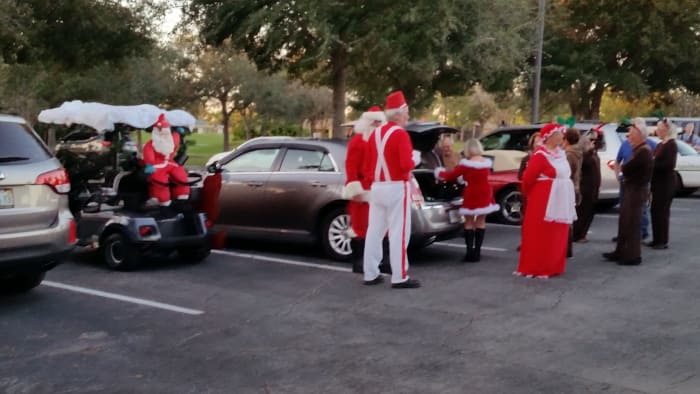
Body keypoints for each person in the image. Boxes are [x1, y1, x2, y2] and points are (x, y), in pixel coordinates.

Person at [362, 91, 420, 289]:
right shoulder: (401, 134)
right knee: (399, 233)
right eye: (407, 112)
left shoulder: (374, 134)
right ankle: (399, 275)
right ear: (399, 113)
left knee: (374, 231)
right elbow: (406, 164)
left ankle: (370, 273)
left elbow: (367, 167)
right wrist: (415, 160)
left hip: (377, 187)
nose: (408, 116)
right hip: (396, 187)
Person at [515, 123, 577, 278]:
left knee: (557, 232)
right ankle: (537, 266)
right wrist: (530, 195)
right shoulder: (540, 155)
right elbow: (528, 179)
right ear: (549, 137)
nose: (561, 137)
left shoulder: (560, 153)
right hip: (543, 199)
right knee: (541, 233)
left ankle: (553, 265)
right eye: (558, 134)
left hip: (560, 198)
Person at [435, 138, 499, 262]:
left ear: (468, 149)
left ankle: (469, 253)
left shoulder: (466, 164)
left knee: (469, 222)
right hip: (485, 192)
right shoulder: (487, 162)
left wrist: (438, 173)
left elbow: (451, 175)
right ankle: (477, 253)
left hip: (472, 192)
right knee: (481, 221)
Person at [603, 118, 654, 265]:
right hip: (631, 189)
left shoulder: (644, 151)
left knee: (632, 223)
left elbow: (628, 167)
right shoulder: (638, 149)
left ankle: (632, 255)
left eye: (631, 134)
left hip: (636, 191)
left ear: (639, 134)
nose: (628, 137)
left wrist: (622, 169)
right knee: (625, 221)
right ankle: (621, 251)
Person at [343, 106, 387, 273]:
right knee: (360, 227)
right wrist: (355, 189)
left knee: (380, 227)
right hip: (362, 190)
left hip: (378, 189)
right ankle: (359, 262)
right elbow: (351, 166)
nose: (376, 125)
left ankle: (379, 261)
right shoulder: (358, 141)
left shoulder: (380, 141)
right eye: (374, 122)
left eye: (379, 122)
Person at [613, 127, 657, 241]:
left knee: (640, 210)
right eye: (629, 134)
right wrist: (618, 175)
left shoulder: (648, 147)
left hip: (639, 184)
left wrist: (650, 182)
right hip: (626, 181)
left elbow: (652, 164)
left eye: (632, 133)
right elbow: (618, 161)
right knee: (624, 209)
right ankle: (623, 233)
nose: (629, 137)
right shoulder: (625, 144)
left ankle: (642, 232)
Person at [142, 113, 190, 215]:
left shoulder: (172, 140)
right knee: (160, 181)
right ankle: (164, 204)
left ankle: (181, 198)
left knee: (181, 176)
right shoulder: (151, 145)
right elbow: (148, 154)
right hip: (157, 164)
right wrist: (149, 165)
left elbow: (177, 136)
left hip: (170, 163)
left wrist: (179, 131)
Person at [647, 119, 678, 249]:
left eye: (660, 128)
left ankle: (662, 240)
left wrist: (652, 163)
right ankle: (656, 238)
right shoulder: (660, 145)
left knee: (662, 211)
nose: (657, 131)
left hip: (665, 183)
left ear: (667, 130)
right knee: (655, 210)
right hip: (657, 183)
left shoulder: (671, 145)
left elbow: (669, 164)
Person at [573, 128, 602, 242]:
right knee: (582, 211)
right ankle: (577, 234)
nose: (591, 142)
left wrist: (597, 137)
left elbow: (599, 143)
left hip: (594, 186)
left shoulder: (594, 153)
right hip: (585, 186)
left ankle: (583, 233)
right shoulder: (582, 154)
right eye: (589, 140)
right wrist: (589, 150)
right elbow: (582, 164)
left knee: (590, 211)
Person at [563, 128, 582, 258]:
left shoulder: (569, 154)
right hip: (575, 186)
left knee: (566, 220)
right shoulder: (578, 152)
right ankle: (567, 249)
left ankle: (566, 249)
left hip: (569, 187)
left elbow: (566, 172)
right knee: (569, 220)